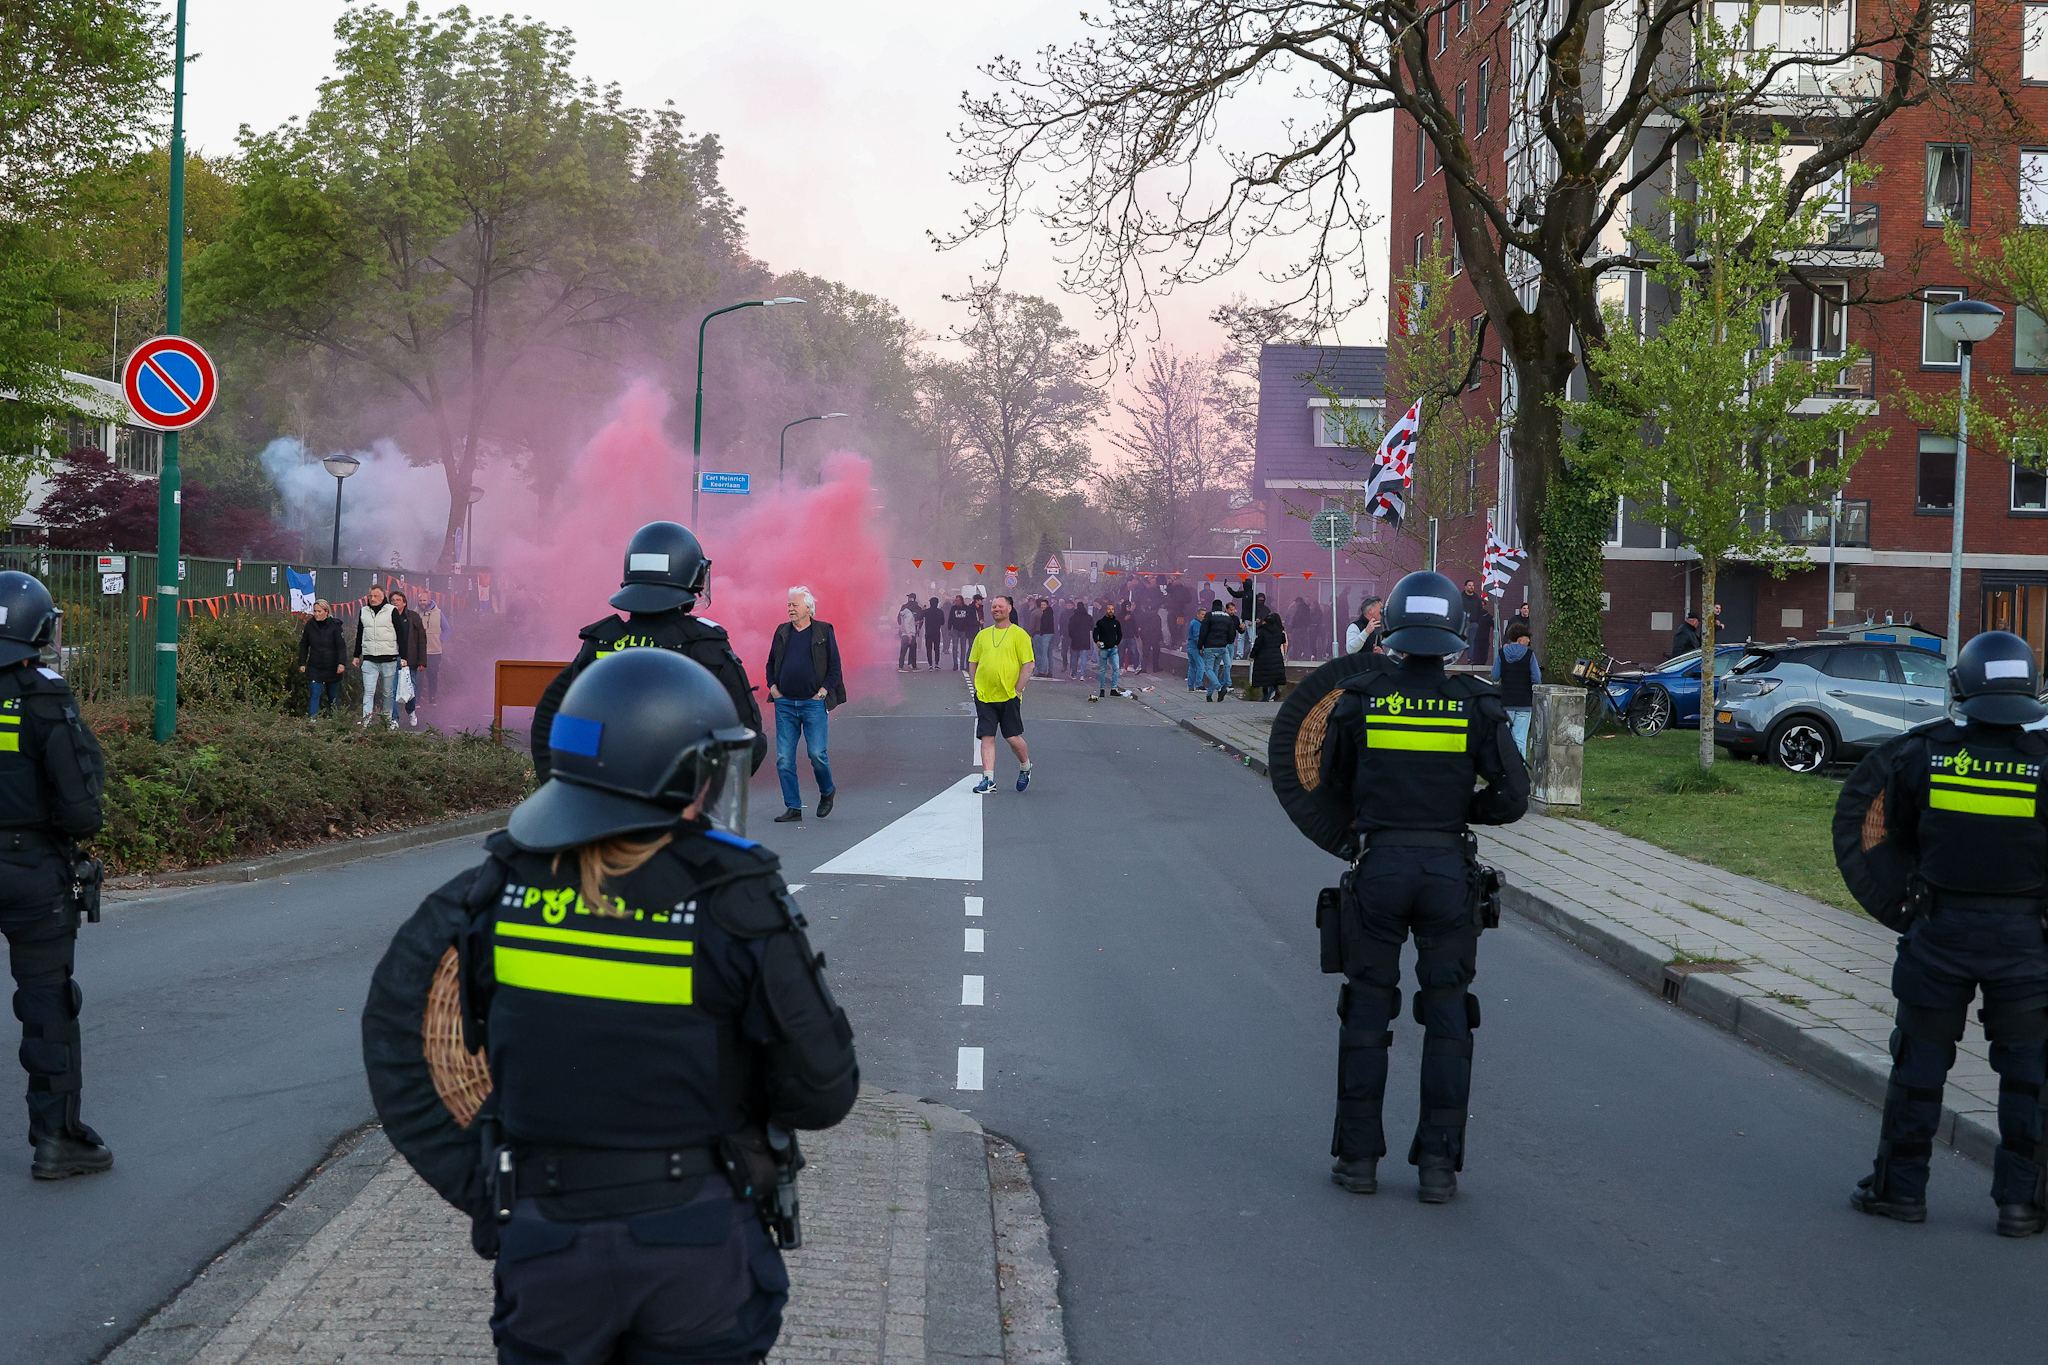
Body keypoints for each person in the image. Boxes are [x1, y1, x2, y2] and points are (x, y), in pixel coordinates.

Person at [416, 647, 858, 1363]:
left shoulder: (502, 882)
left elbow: (474, 1038)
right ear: (678, 772)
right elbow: (825, 1088)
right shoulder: (733, 893)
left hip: (544, 1244)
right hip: (696, 1250)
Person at [1318, 570, 1529, 1203]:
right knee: (1447, 1019)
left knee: (1365, 1013)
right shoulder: (1479, 703)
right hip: (1446, 874)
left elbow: (1327, 785)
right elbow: (1514, 798)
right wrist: (1461, 813)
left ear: (1394, 629)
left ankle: (1358, 1162)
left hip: (1379, 869)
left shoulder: (1358, 699)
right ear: (1457, 635)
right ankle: (1438, 1170)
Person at [1849, 631, 2048, 1236]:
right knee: (2028, 1076)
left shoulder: (1920, 754)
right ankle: (2022, 1204)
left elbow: (1881, 834)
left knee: (1919, 1063)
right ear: (2033, 688)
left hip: (1938, 934)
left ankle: (1900, 1192)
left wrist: (1901, 904)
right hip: (2026, 943)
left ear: (1960, 686)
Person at [0, 571, 112, 1180]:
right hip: (29, 869)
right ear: (39, 629)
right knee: (47, 1008)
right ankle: (56, 1141)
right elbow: (81, 810)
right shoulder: (44, 695)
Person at [530, 522, 765, 785]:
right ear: (693, 576)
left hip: (603, 806)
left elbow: (556, 723)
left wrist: (572, 791)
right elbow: (749, 743)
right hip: (676, 813)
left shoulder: (601, 643)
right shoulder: (705, 646)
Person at [765, 587, 845, 824]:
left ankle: (827, 791)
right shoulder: (782, 631)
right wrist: (773, 687)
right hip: (785, 704)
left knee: (816, 754)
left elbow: (835, 667)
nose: (790, 609)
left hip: (813, 703)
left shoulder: (823, 631)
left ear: (808, 608)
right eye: (789, 605)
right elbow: (770, 662)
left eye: (794, 605)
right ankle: (793, 807)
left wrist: (822, 693)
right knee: (783, 759)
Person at [968, 596, 1035, 794]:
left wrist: (1017, 690)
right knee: (987, 736)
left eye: (1000, 606)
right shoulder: (983, 635)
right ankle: (988, 779)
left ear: (1009, 609)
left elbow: (1028, 664)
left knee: (1012, 738)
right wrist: (976, 687)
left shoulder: (1019, 635)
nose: (996, 609)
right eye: (994, 606)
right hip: (985, 697)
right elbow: (973, 662)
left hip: (1008, 697)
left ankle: (1025, 766)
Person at [353, 583, 405, 729]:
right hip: (369, 658)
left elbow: (401, 634)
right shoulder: (364, 611)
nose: (372, 598)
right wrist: (356, 655)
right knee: (368, 692)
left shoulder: (391, 611)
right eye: (370, 596)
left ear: (383, 597)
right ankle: (366, 721)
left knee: (388, 693)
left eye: (376, 596)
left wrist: (404, 656)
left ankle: (387, 720)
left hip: (389, 658)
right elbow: (360, 634)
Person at [1492, 619, 1541, 755]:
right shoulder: (1529, 655)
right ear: (1520, 639)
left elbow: (1495, 675)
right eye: (1527, 639)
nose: (1529, 641)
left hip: (1506, 701)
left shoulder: (1502, 653)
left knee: (1505, 738)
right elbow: (1536, 678)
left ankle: (1504, 768)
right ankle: (1519, 768)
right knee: (1520, 738)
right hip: (1524, 701)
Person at [296, 599, 348, 718]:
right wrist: (302, 662)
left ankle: (337, 720)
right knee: (315, 693)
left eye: (319, 611)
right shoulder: (310, 625)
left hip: (332, 665)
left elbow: (341, 646)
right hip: (315, 665)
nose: (316, 614)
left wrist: (341, 663)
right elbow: (304, 644)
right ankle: (312, 721)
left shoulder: (335, 626)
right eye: (315, 611)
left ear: (326, 611)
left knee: (332, 694)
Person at [390, 589, 428, 729]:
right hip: (392, 657)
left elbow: (421, 640)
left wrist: (422, 661)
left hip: (410, 658)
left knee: (411, 689)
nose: (395, 603)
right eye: (392, 601)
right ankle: (394, 718)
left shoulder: (413, 617)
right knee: (391, 689)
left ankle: (411, 711)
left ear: (404, 602)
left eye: (398, 600)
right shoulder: (387, 616)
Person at [1196, 599, 1238, 702]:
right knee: (1215, 670)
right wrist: (1227, 642)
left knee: (1209, 670)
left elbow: (1203, 631)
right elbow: (1232, 633)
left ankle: (1220, 688)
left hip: (1210, 647)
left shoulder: (1209, 616)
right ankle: (1209, 695)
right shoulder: (1227, 617)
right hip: (1222, 647)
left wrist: (1200, 646)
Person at [1249, 605, 1288, 701]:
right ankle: (1277, 691)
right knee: (1274, 676)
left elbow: (1258, 645)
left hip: (1264, 656)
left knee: (1264, 677)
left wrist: (1252, 655)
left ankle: (1265, 696)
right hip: (1276, 656)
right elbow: (1283, 641)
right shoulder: (1279, 631)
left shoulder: (1263, 631)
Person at [1092, 603, 1126, 700]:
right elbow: (1095, 634)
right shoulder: (1100, 622)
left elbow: (1120, 634)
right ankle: (1102, 689)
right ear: (1105, 611)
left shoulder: (1116, 622)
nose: (1111, 611)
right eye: (1109, 609)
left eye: (1112, 609)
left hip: (1113, 649)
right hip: (1103, 648)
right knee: (1103, 669)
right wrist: (1097, 641)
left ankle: (1113, 689)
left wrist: (1116, 643)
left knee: (1116, 668)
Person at [418, 595, 446, 706]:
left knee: (433, 676)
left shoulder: (438, 613)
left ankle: (432, 697)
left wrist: (440, 640)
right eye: (420, 600)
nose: (422, 602)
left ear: (429, 600)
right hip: (420, 652)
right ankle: (417, 700)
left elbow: (447, 628)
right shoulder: (415, 613)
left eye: (424, 600)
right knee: (419, 677)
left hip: (435, 651)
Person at [1461, 579, 1493, 667]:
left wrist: (1478, 622)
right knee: (1460, 640)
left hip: (1473, 623)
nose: (1471, 587)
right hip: (1463, 624)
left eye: (1473, 585)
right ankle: (1456, 658)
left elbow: (1480, 611)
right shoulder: (1461, 598)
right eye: (1469, 585)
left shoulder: (1477, 599)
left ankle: (1470, 659)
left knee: (1472, 641)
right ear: (1465, 586)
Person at [1065, 600, 1095, 681]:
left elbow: (1070, 628)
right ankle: (1082, 674)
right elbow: (1091, 627)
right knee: (1084, 657)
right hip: (1085, 639)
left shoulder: (1073, 617)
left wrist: (1071, 636)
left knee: (1074, 657)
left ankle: (1074, 673)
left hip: (1075, 639)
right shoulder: (1088, 617)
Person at [947, 595, 976, 672]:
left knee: (963, 648)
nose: (956, 602)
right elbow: (950, 618)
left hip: (964, 630)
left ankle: (962, 664)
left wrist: (968, 628)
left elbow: (969, 619)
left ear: (961, 601)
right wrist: (949, 628)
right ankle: (955, 664)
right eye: (955, 600)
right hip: (955, 630)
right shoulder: (953, 608)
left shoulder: (966, 608)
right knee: (955, 648)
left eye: (957, 600)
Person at [1031, 598, 1057, 683]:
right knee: (1049, 653)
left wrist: (1030, 634)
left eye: (1044, 605)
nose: (1043, 606)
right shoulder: (1050, 612)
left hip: (1041, 634)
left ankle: (1041, 671)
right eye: (1042, 605)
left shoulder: (1036, 613)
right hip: (1051, 634)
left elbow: (1033, 625)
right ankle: (1050, 671)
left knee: (1041, 653)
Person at [898, 594, 922, 672]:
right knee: (913, 649)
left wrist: (901, 626)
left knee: (903, 650)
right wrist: (919, 627)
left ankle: (901, 666)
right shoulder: (917, 609)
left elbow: (900, 619)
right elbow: (920, 618)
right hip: (911, 632)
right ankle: (912, 665)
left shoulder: (904, 608)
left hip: (904, 632)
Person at [923, 597, 945, 670]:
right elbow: (943, 622)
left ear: (930, 603)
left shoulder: (927, 611)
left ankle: (930, 665)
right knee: (937, 649)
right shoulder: (940, 612)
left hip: (928, 632)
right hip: (936, 632)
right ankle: (936, 664)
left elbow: (920, 616)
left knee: (929, 649)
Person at [1185, 609, 1204, 690]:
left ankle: (1190, 686)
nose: (1204, 616)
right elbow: (1197, 637)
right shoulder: (1197, 623)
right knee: (1201, 666)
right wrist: (1200, 647)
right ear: (1197, 614)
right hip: (1195, 647)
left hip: (1190, 647)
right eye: (1202, 614)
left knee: (1192, 667)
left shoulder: (1192, 622)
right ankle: (1199, 684)